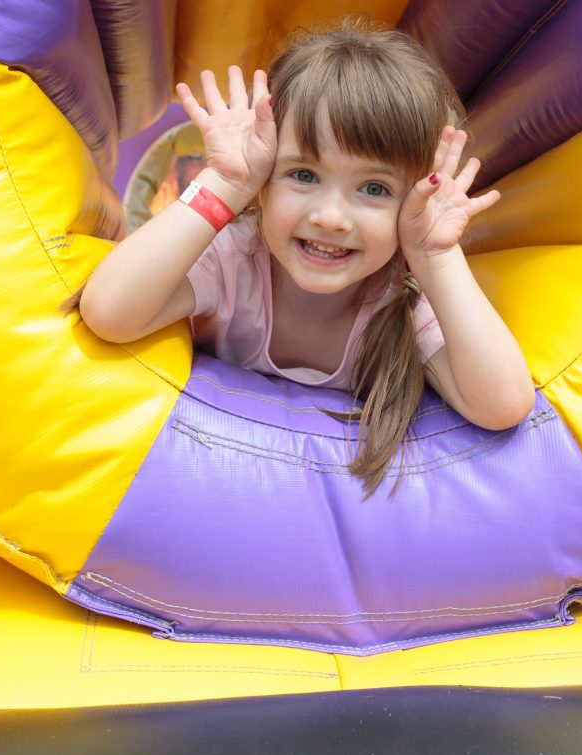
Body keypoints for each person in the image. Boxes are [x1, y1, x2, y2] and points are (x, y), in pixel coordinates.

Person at [77, 20, 534, 495]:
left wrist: (433, 255)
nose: (331, 217)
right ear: (265, 182)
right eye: (304, 175)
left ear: (412, 203)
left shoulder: (399, 305)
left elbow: (504, 405)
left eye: (374, 188)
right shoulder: (236, 259)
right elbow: (109, 312)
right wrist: (225, 186)